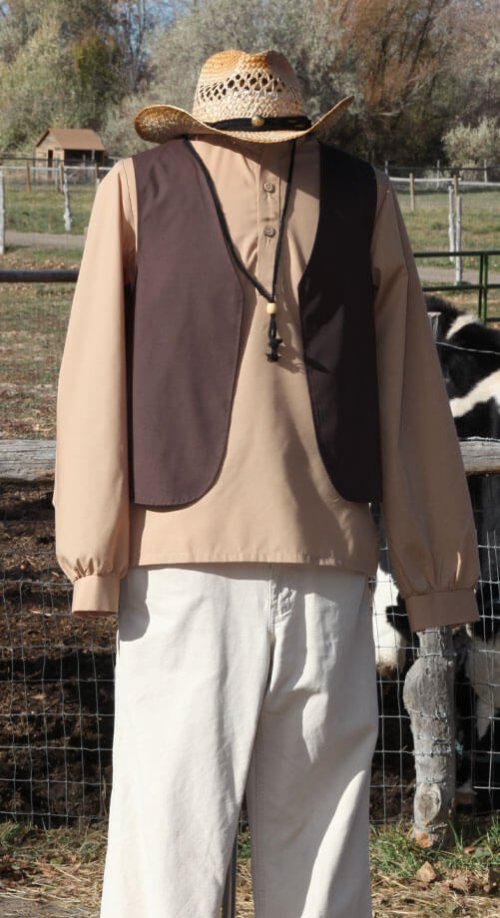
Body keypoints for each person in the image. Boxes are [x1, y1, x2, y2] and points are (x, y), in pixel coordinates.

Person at [54, 49, 480, 918]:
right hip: (289, 577)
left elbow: (91, 383)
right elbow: (411, 400)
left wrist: (96, 558)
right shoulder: (146, 193)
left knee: (169, 863)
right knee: (313, 868)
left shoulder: (148, 189)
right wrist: (434, 573)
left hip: (205, 585)